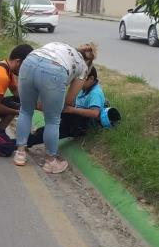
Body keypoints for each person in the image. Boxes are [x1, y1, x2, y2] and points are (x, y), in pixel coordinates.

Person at [14, 42, 97, 173]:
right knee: (53, 120)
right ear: (89, 61)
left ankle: (20, 154)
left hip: (29, 62)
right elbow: (69, 100)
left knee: (25, 111)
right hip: (54, 71)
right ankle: (50, 162)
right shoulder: (83, 66)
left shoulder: (60, 46)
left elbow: (39, 67)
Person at [28, 67, 104, 147]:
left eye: (81, 80)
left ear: (91, 78)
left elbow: (94, 113)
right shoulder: (84, 88)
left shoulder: (95, 93)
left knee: (56, 130)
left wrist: (71, 110)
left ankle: (28, 140)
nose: (78, 82)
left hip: (82, 124)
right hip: (73, 117)